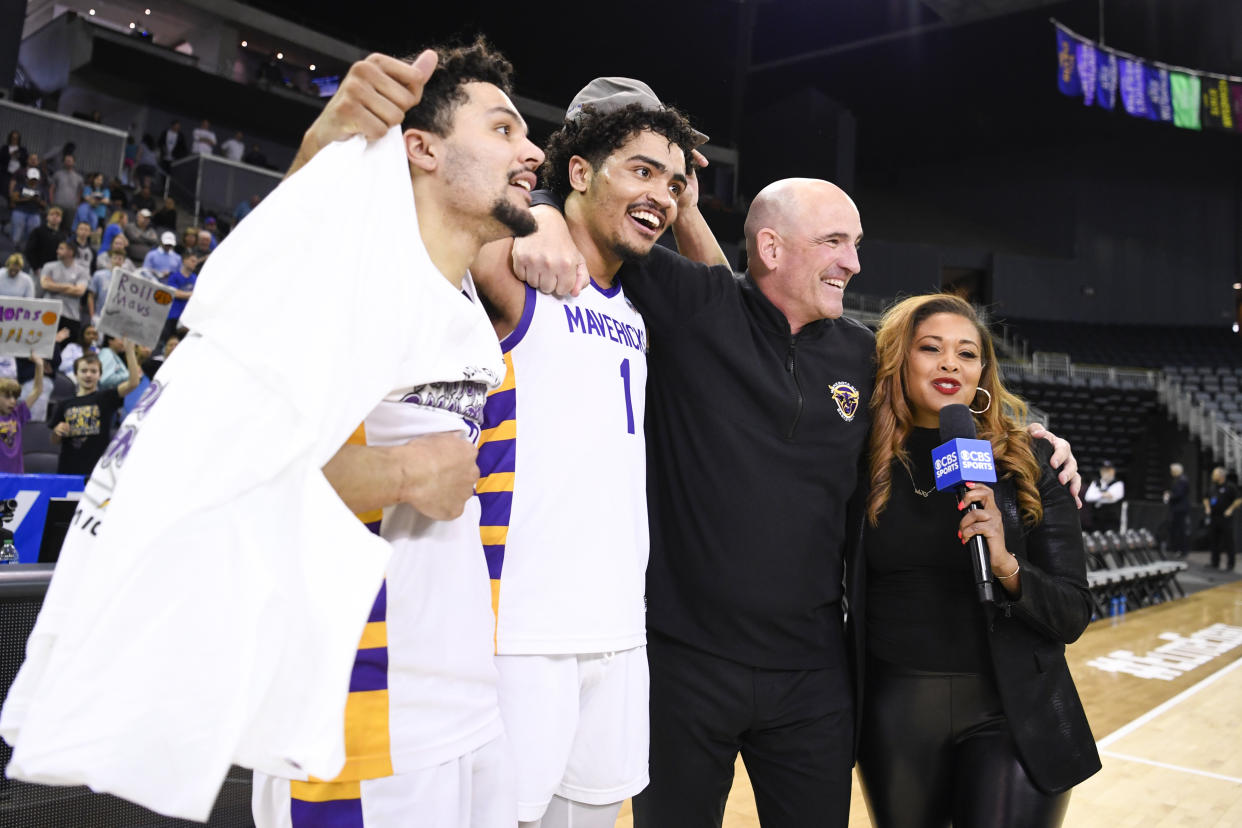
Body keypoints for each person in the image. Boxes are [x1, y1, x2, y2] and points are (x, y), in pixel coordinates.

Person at [245, 40, 545, 828]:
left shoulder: (473, 314)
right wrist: (409, 475)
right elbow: (243, 468)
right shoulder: (348, 280)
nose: (533, 151)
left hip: (471, 712)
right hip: (354, 724)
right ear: (422, 147)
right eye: (505, 129)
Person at [463, 82, 699, 828]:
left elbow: (731, 308)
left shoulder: (640, 313)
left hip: (619, 631)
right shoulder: (515, 273)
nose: (661, 194)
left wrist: (677, 205)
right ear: (580, 172)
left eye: (674, 181)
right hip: (520, 631)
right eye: (641, 170)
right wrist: (531, 214)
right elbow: (450, 205)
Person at [855, 293, 1100, 828]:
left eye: (967, 354)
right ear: (900, 359)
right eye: (930, 348)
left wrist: (1007, 563)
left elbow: (1073, 611)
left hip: (1012, 712)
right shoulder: (857, 456)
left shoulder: (1031, 462)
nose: (950, 363)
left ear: (983, 372)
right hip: (894, 712)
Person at [49, 343, 140, 475]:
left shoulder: (106, 397)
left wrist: (130, 351)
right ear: (75, 374)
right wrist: (57, 432)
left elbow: (133, 383)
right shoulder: (64, 404)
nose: (88, 375)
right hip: (68, 469)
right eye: (84, 371)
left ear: (100, 375)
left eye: (93, 371)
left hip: (96, 471)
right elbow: (54, 441)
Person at [0, 358, 44, 474]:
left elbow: (37, 390)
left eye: (15, 397)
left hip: (17, 474)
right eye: (7, 397)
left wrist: (39, 365)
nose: (13, 401)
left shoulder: (17, 413)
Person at [39, 240, 89, 341]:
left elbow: (80, 291)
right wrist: (69, 286)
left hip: (71, 316)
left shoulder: (82, 271)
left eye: (61, 248)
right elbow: (44, 285)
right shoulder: (49, 266)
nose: (57, 251)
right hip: (49, 313)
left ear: (70, 252)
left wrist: (53, 285)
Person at [1203, 466, 1241, 571]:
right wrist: (1207, 507)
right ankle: (1215, 562)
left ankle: (1230, 564)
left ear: (1221, 476)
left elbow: (1238, 499)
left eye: (1214, 474)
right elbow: (1205, 498)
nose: (1212, 476)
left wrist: (1230, 509)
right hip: (1214, 517)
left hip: (1225, 518)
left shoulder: (1230, 487)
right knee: (1214, 540)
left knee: (1228, 541)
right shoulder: (1212, 487)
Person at [161, 252, 198, 341]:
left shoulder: (195, 278)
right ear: (185, 261)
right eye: (192, 261)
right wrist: (190, 294)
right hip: (173, 315)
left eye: (196, 262)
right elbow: (174, 293)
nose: (195, 263)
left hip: (187, 317)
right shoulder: (174, 276)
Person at [9, 166, 46, 247]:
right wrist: (28, 199)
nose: (33, 181)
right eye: (32, 179)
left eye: (35, 179)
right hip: (20, 211)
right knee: (16, 236)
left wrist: (38, 201)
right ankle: (13, 253)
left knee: (32, 237)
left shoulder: (40, 189)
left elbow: (44, 204)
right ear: (27, 178)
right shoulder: (21, 186)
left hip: (34, 214)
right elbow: (14, 198)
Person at [1084, 459, 1124, 532]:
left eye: (1108, 470)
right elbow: (1088, 497)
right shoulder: (1096, 482)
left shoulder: (1118, 484)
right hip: (1096, 520)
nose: (1106, 473)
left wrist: (1097, 495)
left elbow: (1113, 498)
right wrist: (1103, 495)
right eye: (1104, 470)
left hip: (1111, 521)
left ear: (1113, 471)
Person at [23, 205, 67, 273]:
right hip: (39, 268)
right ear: (47, 217)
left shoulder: (63, 235)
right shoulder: (38, 231)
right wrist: (35, 267)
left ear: (61, 219)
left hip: (56, 270)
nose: (54, 217)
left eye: (57, 215)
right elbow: (29, 250)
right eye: (52, 214)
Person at [1164, 462, 1191, 558]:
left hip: (1181, 509)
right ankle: (1175, 548)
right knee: (1175, 529)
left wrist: (1169, 496)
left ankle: (1182, 550)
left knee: (1181, 530)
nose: (1171, 472)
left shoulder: (1182, 480)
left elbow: (1179, 494)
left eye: (1172, 471)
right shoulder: (1177, 480)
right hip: (1176, 508)